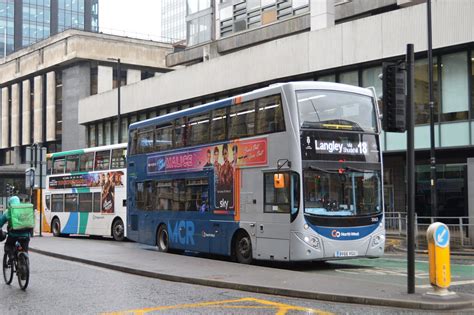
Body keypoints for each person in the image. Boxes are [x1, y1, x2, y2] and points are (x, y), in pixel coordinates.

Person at [0, 196, 32, 264]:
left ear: (9, 203)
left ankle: (11, 256)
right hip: (26, 235)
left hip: (13, 235)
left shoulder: (8, 211)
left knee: (8, 245)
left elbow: (0, 222)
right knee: (25, 250)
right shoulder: (24, 209)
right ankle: (25, 261)